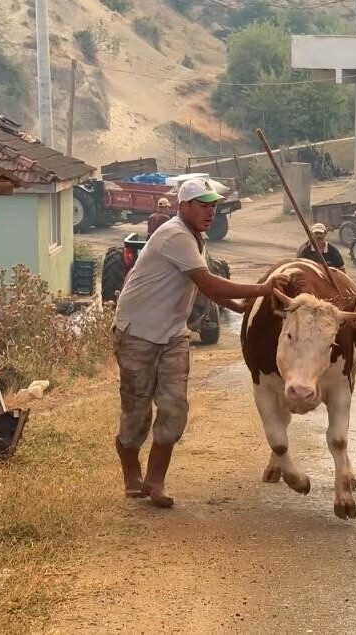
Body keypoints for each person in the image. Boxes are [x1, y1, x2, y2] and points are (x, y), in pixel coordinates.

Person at [112, 177, 289, 508]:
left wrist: (238, 306)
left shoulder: (195, 238)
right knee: (136, 409)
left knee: (174, 407)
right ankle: (131, 474)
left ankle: (155, 481)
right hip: (138, 332)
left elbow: (201, 286)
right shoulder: (175, 235)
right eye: (203, 205)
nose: (211, 212)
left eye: (214, 206)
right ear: (183, 207)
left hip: (173, 334)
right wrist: (263, 289)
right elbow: (209, 281)